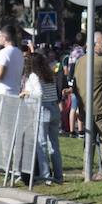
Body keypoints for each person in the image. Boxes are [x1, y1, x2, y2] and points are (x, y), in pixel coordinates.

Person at [72, 32, 102, 178]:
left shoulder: (80, 61)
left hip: (85, 108)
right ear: (93, 45)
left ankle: (86, 168)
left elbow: (75, 83)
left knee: (89, 140)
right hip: (101, 107)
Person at [24, 52, 64, 184]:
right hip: (54, 108)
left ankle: (46, 176)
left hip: (43, 109)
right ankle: (58, 176)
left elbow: (39, 93)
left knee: (42, 144)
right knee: (54, 145)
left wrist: (27, 92)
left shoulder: (34, 76)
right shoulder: (49, 74)